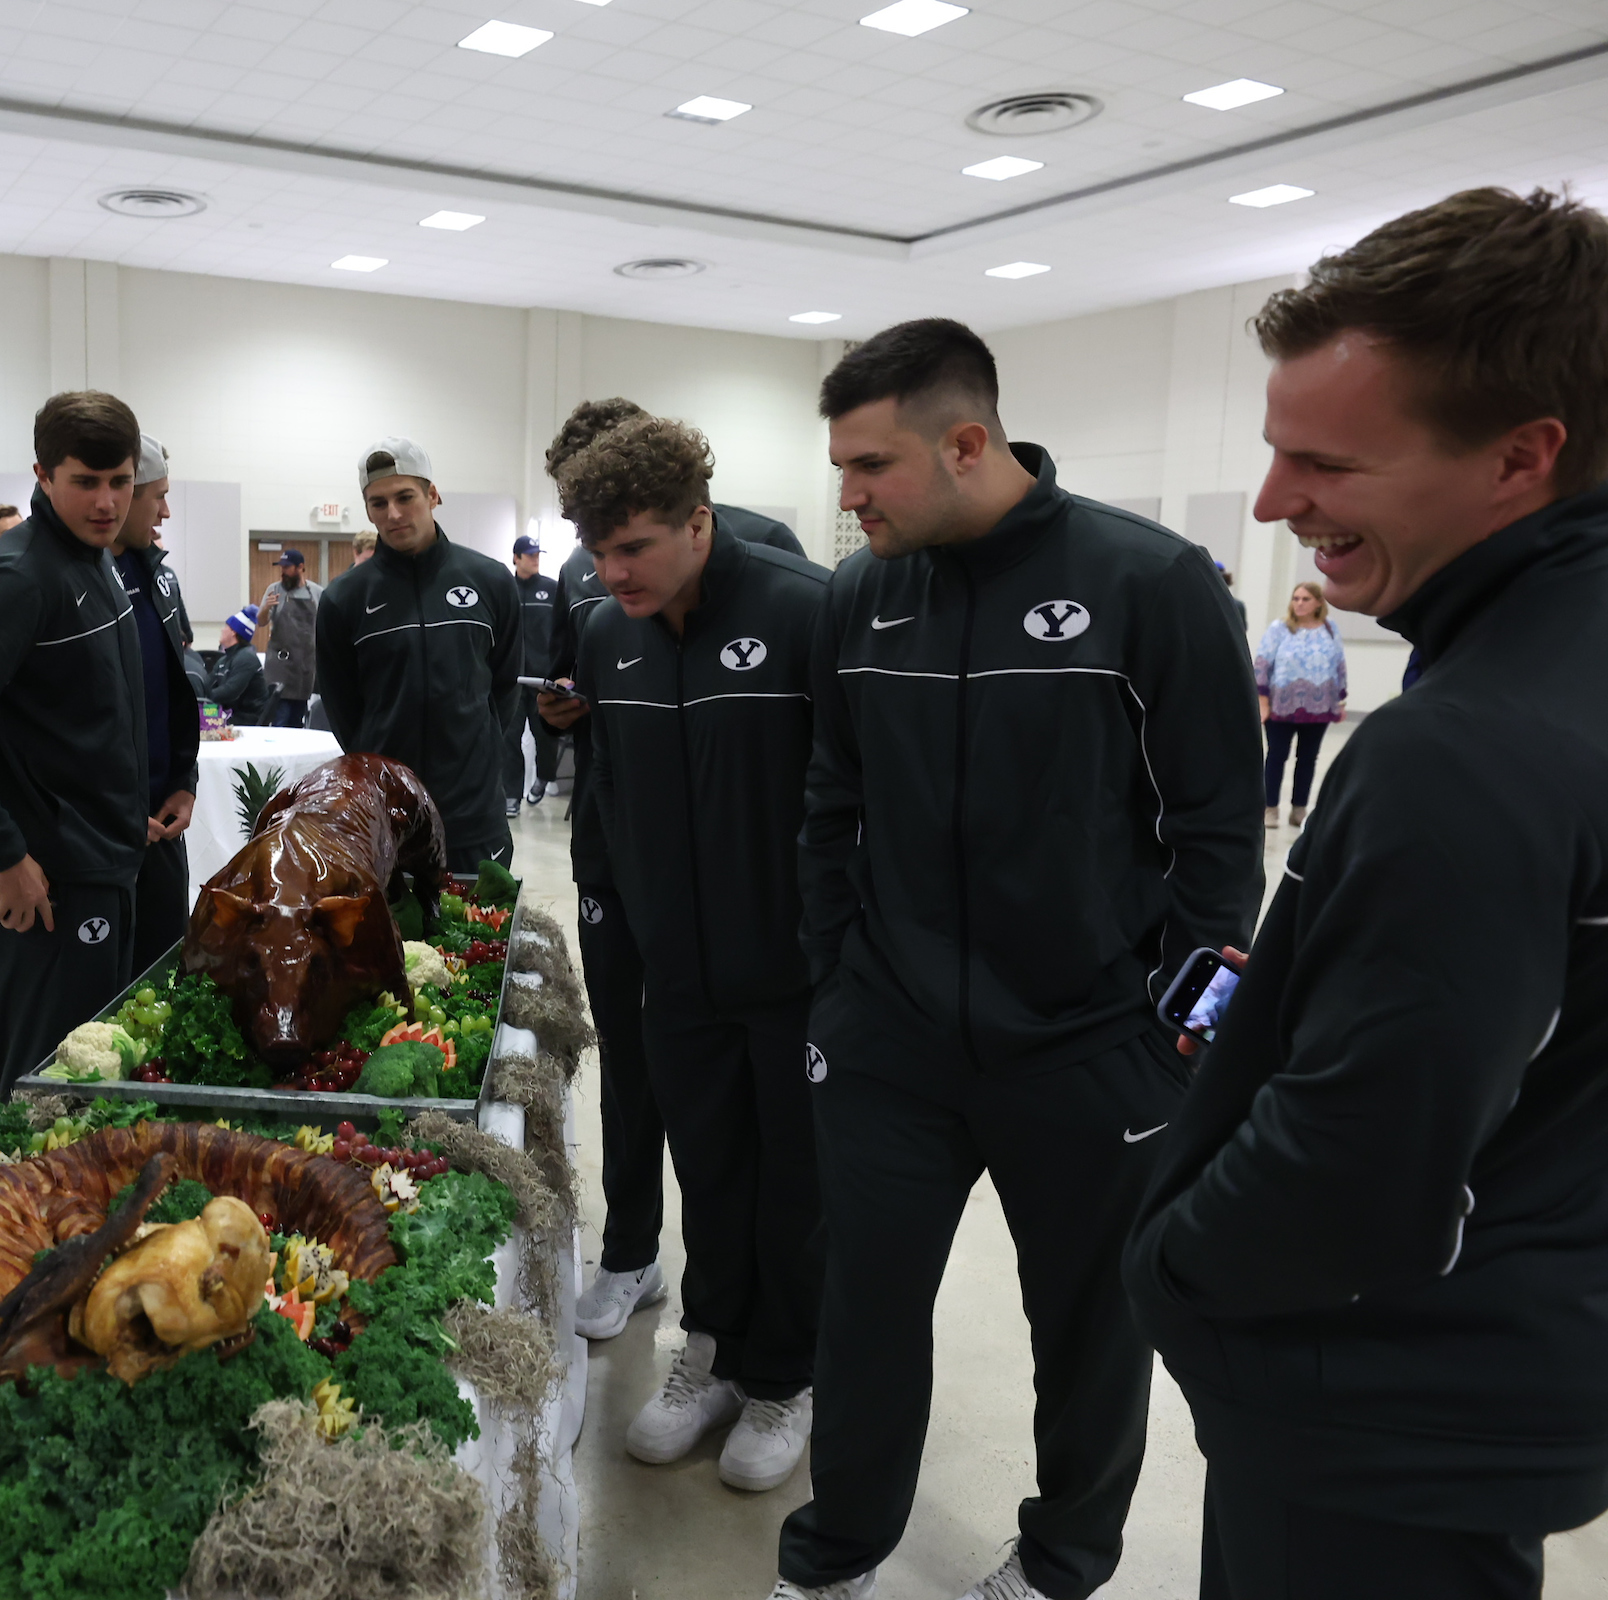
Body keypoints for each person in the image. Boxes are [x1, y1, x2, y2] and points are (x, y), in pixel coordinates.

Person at [1126, 185, 1608, 1600]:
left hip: (1383, 1407)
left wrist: (1169, 1268)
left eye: (1325, 461)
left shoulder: (1462, 752)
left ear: (1521, 456)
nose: (1274, 502)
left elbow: (1357, 1168)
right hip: (1522, 1343)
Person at [778, 319, 1263, 1600]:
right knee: (863, 1310)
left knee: (1092, 1331)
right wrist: (837, 982)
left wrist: (1177, 1037)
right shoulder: (859, 597)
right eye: (841, 466)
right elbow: (831, 802)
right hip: (890, 1042)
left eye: (871, 465)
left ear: (965, 443)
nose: (848, 495)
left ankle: (1061, 1562)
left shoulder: (1150, 582)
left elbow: (1220, 836)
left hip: (1093, 1048)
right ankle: (835, 1554)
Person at [559, 415, 833, 1495]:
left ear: (699, 523)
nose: (614, 571)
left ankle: (786, 1377)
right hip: (676, 970)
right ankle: (713, 1352)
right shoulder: (605, 635)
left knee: (795, 1183)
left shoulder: (805, 610)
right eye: (599, 550)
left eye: (635, 547)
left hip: (796, 973)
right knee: (709, 1167)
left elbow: (854, 797)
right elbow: (611, 784)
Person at [0, 391, 151, 1094]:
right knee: (51, 1087)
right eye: (85, 481)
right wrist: (5, 853)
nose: (106, 502)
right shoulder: (17, 577)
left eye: (120, 482)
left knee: (100, 1083)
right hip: (51, 884)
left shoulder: (92, 559)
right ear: (43, 475)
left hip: (107, 863)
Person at [314, 437, 520, 871]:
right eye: (378, 503)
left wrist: (479, 754)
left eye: (405, 497)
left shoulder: (490, 580)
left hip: (474, 816)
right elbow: (343, 709)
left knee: (481, 916)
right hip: (388, 818)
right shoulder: (344, 600)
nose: (393, 513)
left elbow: (504, 686)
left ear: (433, 495)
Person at [113, 432, 202, 971]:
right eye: (159, 496)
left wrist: (184, 781)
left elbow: (173, 691)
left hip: (163, 823)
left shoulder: (158, 576)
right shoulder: (64, 579)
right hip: (97, 838)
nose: (166, 512)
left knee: (167, 975)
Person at [1254, 580, 1346, 827]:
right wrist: (1263, 701)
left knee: (1308, 758)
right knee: (1276, 756)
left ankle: (1299, 809)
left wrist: (1340, 701)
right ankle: (1270, 808)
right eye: (1296, 599)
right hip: (1281, 706)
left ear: (1318, 603)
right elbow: (1262, 664)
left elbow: (1339, 665)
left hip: (1319, 707)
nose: (1299, 603)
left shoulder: (1330, 629)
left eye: (1305, 599)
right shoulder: (1280, 628)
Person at [505, 532, 558, 815]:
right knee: (509, 738)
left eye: (537, 555)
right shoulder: (505, 589)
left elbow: (562, 632)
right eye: (530, 555)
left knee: (545, 736)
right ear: (516, 558)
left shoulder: (552, 589)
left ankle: (544, 777)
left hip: (543, 679)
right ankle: (511, 795)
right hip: (512, 679)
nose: (535, 559)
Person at [256, 548, 320, 728]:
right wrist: (266, 608)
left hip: (304, 666)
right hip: (280, 665)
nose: (282, 571)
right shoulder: (274, 590)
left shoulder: (316, 592)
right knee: (280, 718)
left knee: (297, 721)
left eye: (287, 567)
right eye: (281, 567)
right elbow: (261, 622)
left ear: (300, 567)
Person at [206, 605, 274, 723]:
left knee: (203, 722)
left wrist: (205, 696)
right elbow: (208, 684)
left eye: (226, 627)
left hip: (247, 718)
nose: (222, 630)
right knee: (199, 717)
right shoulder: (224, 660)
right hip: (229, 713)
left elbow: (231, 691)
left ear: (234, 632)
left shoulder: (246, 658)